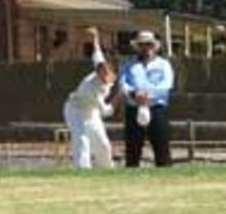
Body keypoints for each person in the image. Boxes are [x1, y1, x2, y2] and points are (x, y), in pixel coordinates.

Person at [62, 28, 118, 170]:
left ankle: (107, 170)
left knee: (103, 144)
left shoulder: (102, 66)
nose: (106, 78)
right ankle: (82, 171)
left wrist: (95, 37)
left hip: (91, 112)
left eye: (108, 73)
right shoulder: (90, 87)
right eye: (103, 75)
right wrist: (120, 97)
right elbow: (105, 111)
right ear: (98, 73)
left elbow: (97, 53)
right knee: (82, 141)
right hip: (76, 111)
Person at [119, 30, 175, 168]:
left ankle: (166, 178)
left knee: (161, 147)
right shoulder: (128, 64)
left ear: (154, 46)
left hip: (157, 109)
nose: (146, 48)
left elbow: (166, 85)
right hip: (134, 108)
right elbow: (122, 84)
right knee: (132, 149)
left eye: (149, 44)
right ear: (138, 46)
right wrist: (133, 94)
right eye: (142, 44)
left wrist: (146, 95)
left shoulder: (164, 64)